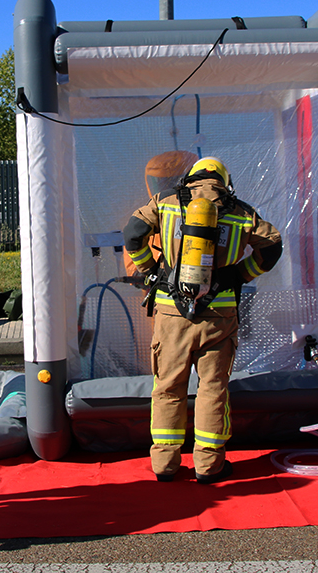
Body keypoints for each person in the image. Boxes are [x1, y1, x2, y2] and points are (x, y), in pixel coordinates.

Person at [123, 157, 283, 484]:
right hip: (219, 315)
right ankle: (209, 466)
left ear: (191, 178)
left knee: (168, 386)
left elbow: (133, 233)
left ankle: (165, 465)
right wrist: (240, 275)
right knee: (213, 389)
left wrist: (150, 270)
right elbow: (272, 247)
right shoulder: (240, 211)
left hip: (171, 314)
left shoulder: (165, 202)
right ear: (225, 182)